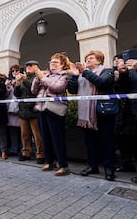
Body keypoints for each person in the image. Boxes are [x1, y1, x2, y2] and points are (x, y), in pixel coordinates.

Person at [68, 50, 117, 181]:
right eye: (86, 58)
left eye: (91, 58)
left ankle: (109, 168)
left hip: (103, 112)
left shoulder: (107, 71)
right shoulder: (82, 75)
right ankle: (92, 166)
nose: (88, 60)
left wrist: (84, 72)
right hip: (87, 116)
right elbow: (72, 90)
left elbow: (102, 82)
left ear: (99, 61)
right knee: (90, 142)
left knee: (107, 141)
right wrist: (74, 75)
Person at [32, 53, 70, 176]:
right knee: (46, 137)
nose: (52, 64)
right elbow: (33, 91)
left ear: (62, 65)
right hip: (42, 109)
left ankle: (63, 165)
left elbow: (57, 87)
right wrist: (37, 79)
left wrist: (42, 78)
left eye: (55, 62)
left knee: (57, 138)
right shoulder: (46, 75)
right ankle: (49, 161)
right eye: (51, 62)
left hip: (54, 110)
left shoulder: (64, 75)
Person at [13, 61, 45, 163]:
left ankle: (40, 154)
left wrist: (25, 80)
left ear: (36, 67)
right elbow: (17, 94)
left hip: (33, 110)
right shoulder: (23, 78)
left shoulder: (38, 76)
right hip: (23, 110)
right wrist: (17, 84)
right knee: (25, 134)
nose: (28, 67)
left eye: (30, 66)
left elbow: (33, 89)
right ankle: (25, 152)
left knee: (37, 135)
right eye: (27, 66)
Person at [116, 49, 137, 183]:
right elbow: (123, 88)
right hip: (129, 110)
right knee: (131, 141)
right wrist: (123, 73)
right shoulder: (129, 72)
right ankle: (128, 165)